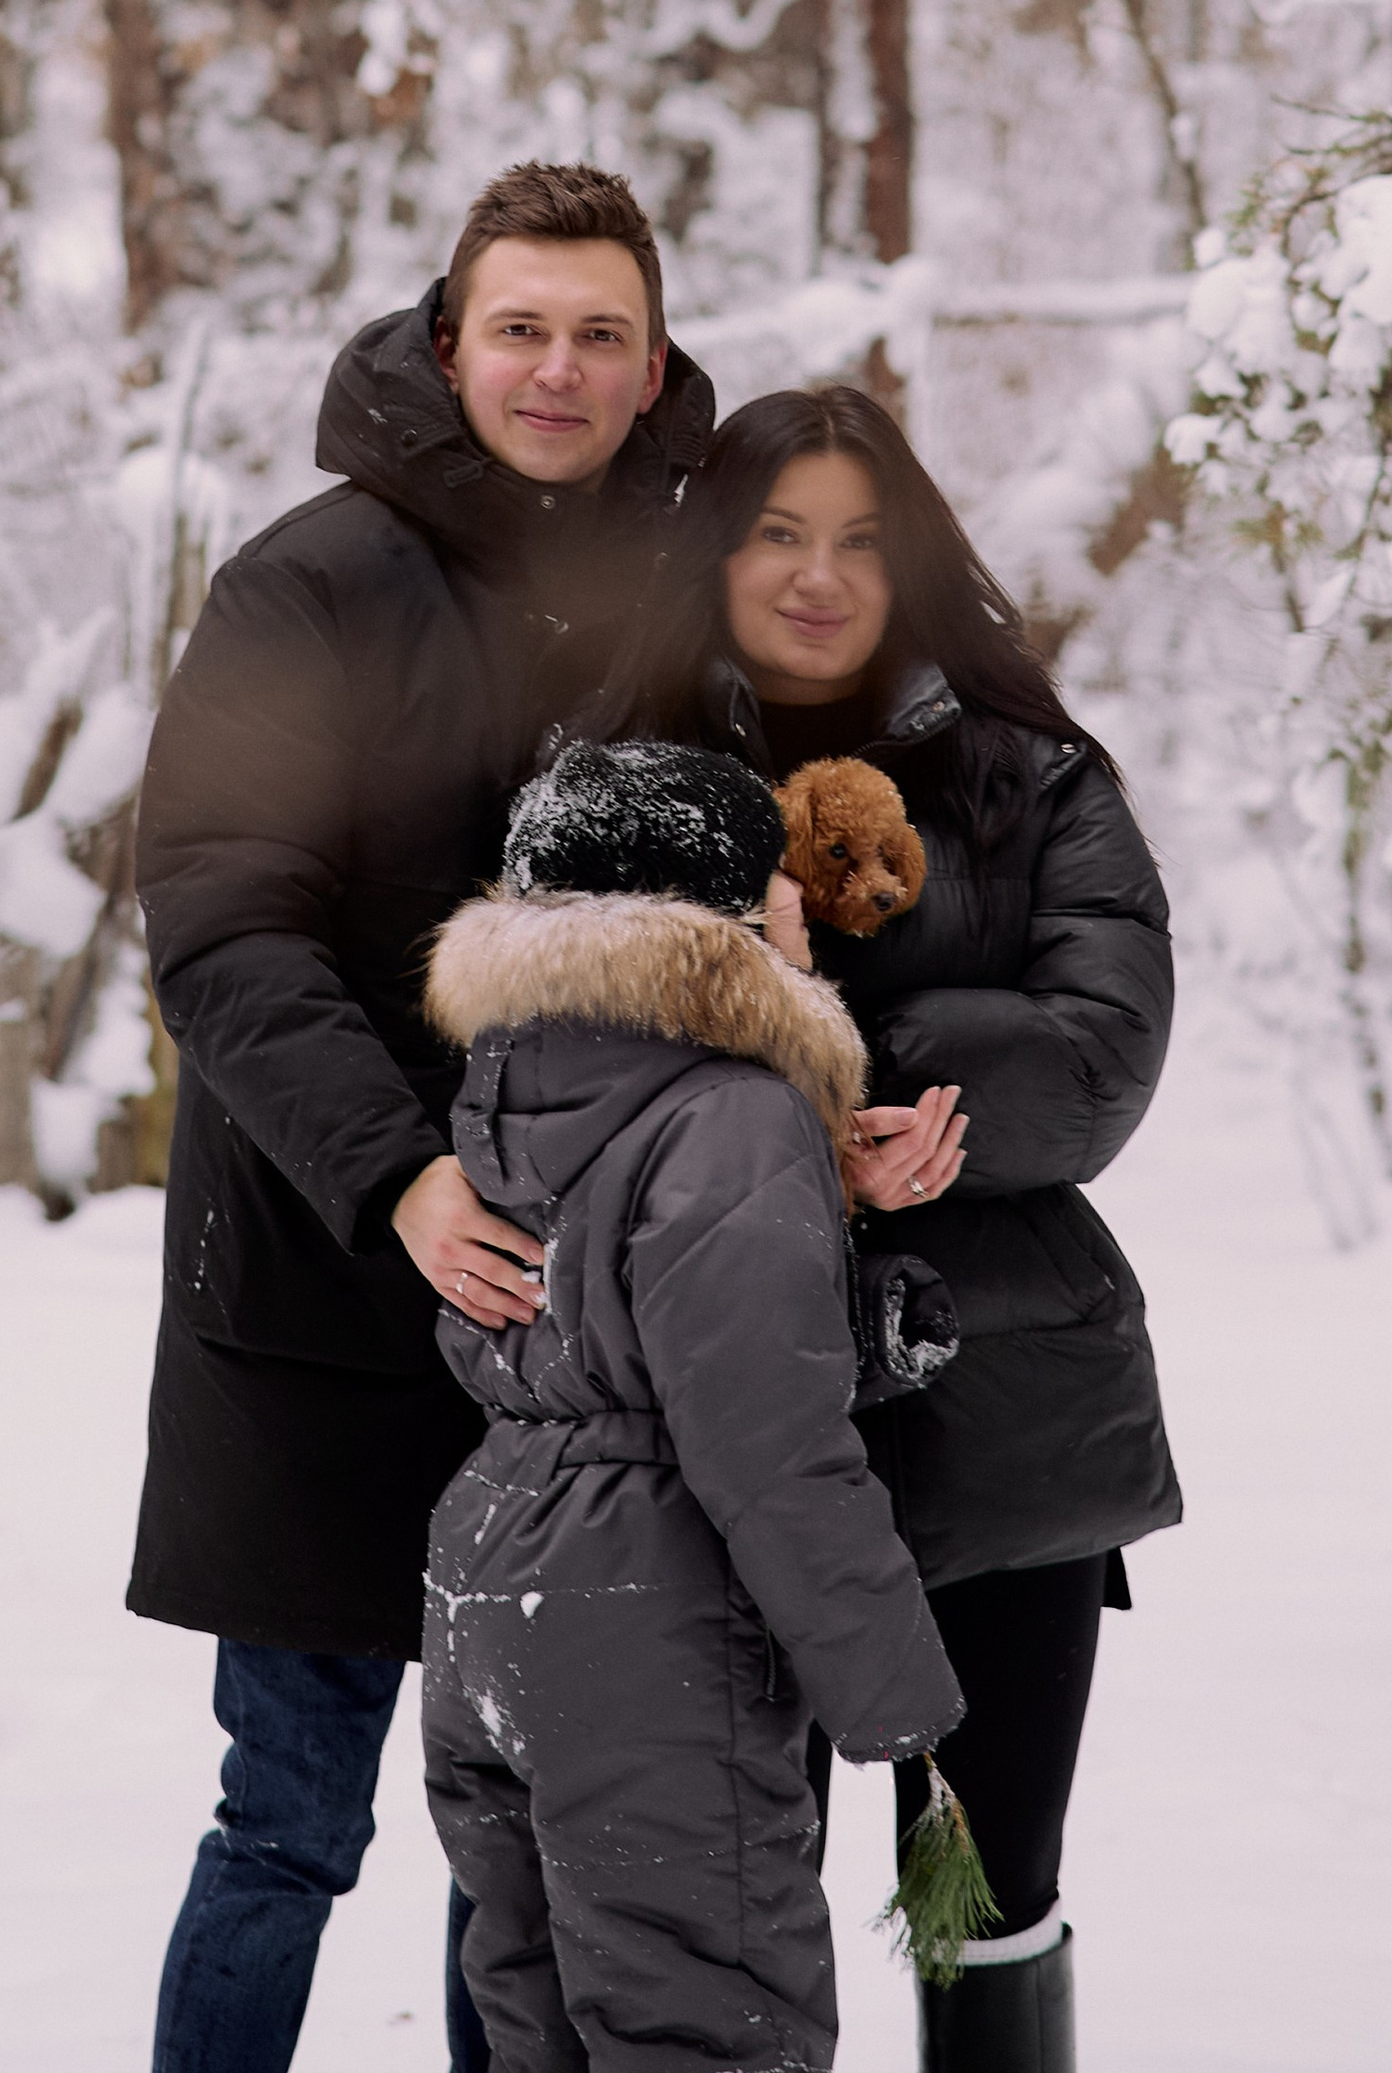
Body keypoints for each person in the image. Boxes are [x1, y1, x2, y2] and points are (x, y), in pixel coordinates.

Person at [128, 163, 714, 2073]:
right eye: (522, 326)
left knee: (525, 1847)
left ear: (650, 366)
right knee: (288, 1822)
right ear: (450, 339)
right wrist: (398, 1171)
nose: (557, 368)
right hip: (322, 1289)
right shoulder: (309, 582)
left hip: (571, 1329)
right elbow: (221, 921)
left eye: (599, 334)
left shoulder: (689, 598)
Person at [594, 381, 1180, 2073]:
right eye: (776, 532)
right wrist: (792, 1124)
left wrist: (876, 1072)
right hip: (713, 1425)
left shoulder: (1033, 776)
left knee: (987, 1892)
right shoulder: (622, 783)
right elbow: (553, 1067)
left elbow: (1102, 1058)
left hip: (1001, 1411)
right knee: (723, 1905)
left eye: (861, 537)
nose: (817, 574)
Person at [420, 735, 966, 2072]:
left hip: (494, 1594)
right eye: (781, 884)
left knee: (538, 2018)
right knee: (709, 2029)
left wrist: (851, 1322)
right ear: (720, 909)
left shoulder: (513, 1082)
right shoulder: (732, 1108)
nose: (807, 913)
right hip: (652, 1623)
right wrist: (898, 1694)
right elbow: (763, 1443)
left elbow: (595, 1335)